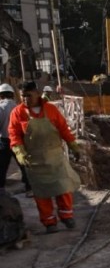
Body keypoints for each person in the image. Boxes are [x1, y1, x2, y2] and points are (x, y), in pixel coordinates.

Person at [9, 81, 82, 233]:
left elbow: (63, 129)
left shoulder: (51, 109)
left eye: (28, 96)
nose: (25, 99)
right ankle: (49, 222)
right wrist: (19, 152)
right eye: (23, 96)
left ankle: (67, 216)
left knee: (63, 187)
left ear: (37, 93)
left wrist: (73, 146)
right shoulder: (17, 113)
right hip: (34, 160)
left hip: (55, 157)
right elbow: (14, 135)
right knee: (41, 193)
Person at [0, 84, 31, 195]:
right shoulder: (19, 108)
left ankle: (1, 190)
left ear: (1, 95)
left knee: (2, 166)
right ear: (12, 95)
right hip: (19, 141)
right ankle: (30, 188)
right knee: (23, 165)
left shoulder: (1, 108)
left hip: (5, 141)